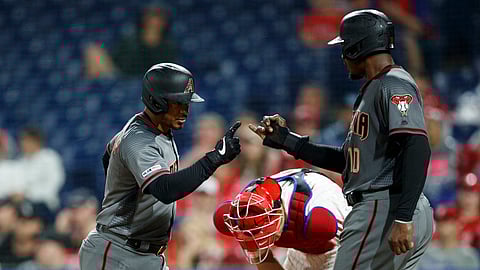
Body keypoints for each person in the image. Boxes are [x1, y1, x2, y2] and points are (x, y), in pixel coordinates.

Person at [249, 9, 433, 270]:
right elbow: (349, 161)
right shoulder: (375, 88)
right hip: (388, 205)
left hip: (384, 207)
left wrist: (403, 217)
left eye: (345, 46)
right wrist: (288, 141)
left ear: (359, 47)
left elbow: (417, 146)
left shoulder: (392, 83)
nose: (342, 55)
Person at [78, 63, 242, 270]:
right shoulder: (138, 140)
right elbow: (165, 189)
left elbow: (107, 158)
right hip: (118, 252)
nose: (185, 110)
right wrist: (214, 159)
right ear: (157, 101)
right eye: (178, 103)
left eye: (187, 104)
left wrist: (123, 188)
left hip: (147, 255)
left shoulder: (158, 130)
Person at [213, 168, 350, 270]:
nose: (262, 239)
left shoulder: (320, 210)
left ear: (278, 211)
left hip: (339, 242)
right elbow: (265, 260)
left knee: (320, 227)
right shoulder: (246, 217)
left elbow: (354, 236)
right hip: (301, 248)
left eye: (266, 232)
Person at [417, 206, 480, 270]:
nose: (442, 224)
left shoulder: (468, 255)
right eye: (439, 221)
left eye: (447, 220)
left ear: (458, 224)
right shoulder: (425, 252)